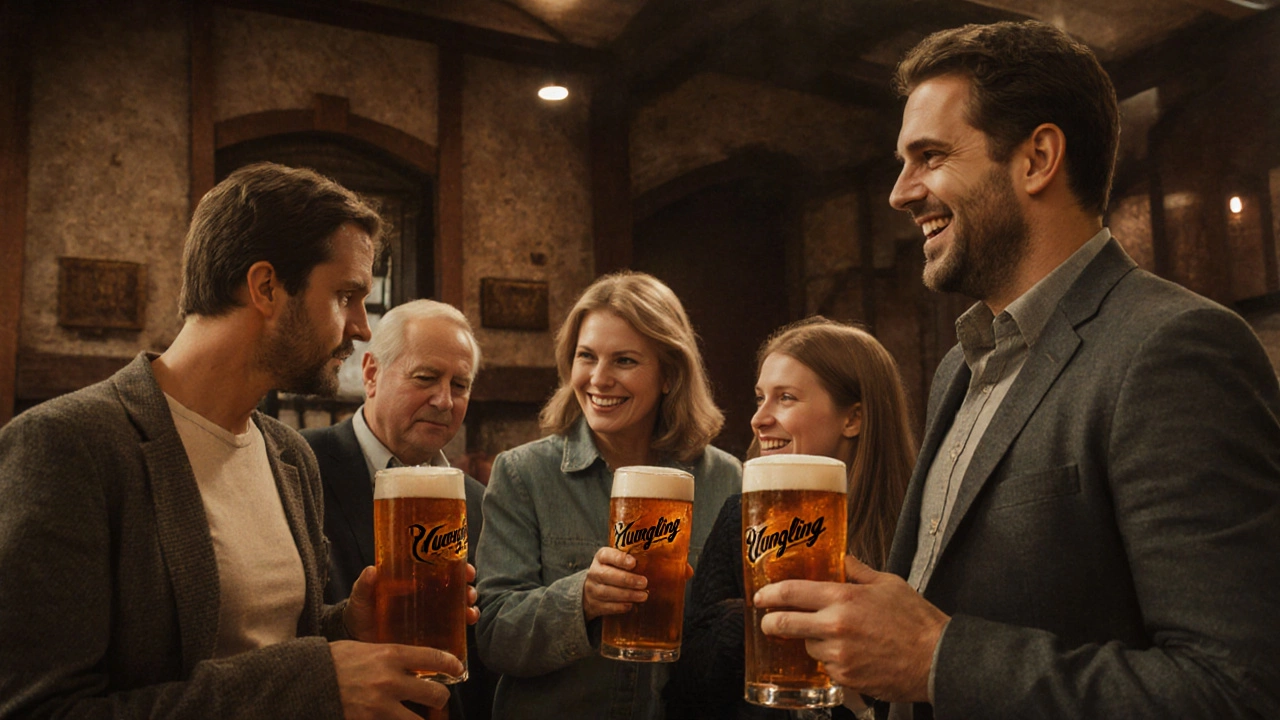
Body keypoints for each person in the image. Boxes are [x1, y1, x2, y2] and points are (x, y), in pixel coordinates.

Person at [751, 20, 1280, 720]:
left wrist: (940, 661)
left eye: (930, 156)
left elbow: (1237, 689)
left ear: (1037, 159)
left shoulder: (1175, 347)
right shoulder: (957, 368)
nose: (900, 192)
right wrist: (874, 665)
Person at [0, 162, 472, 718]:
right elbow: (37, 710)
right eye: (346, 295)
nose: (362, 327)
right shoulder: (67, 445)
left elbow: (269, 638)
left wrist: (346, 623)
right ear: (266, 287)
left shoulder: (289, 453)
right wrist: (313, 683)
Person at [475, 271, 742, 719]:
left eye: (624, 361)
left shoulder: (724, 478)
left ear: (669, 375)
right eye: (586, 356)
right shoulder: (523, 473)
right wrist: (581, 599)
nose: (599, 378)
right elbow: (494, 635)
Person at [666, 317, 916, 720]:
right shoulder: (740, 516)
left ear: (852, 419)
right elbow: (686, 692)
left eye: (786, 398)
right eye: (760, 397)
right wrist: (747, 622)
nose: (759, 418)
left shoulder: (918, 522)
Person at [302, 298, 495, 720]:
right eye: (426, 377)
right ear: (371, 373)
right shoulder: (301, 466)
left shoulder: (479, 502)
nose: (444, 400)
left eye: (459, 385)